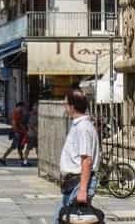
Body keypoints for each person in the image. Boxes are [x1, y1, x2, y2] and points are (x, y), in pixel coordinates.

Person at [56, 90, 98, 220]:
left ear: (72, 107)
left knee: (67, 219)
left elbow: (86, 160)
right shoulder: (79, 125)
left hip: (79, 183)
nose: (64, 106)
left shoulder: (83, 128)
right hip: (73, 183)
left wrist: (82, 190)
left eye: (65, 104)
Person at [0, 101, 27, 166]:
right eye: (22, 107)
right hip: (17, 133)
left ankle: (21, 161)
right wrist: (18, 130)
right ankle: (3, 158)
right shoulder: (17, 112)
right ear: (19, 106)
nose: (23, 108)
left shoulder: (18, 112)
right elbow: (15, 122)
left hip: (18, 132)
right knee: (14, 147)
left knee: (17, 147)